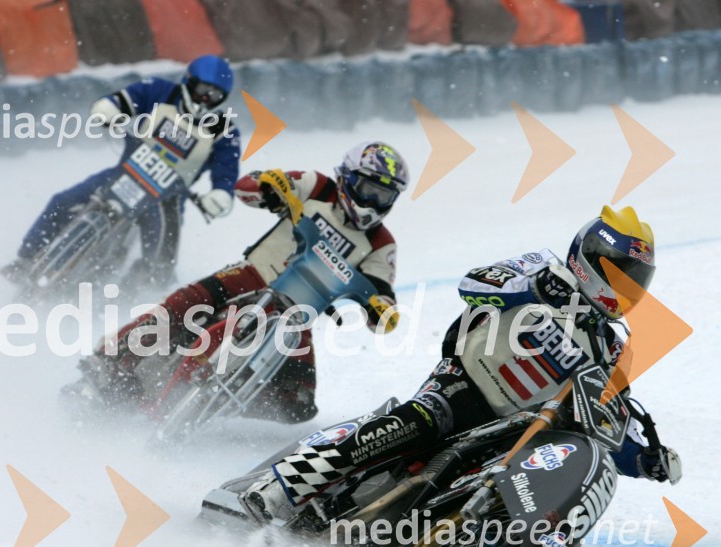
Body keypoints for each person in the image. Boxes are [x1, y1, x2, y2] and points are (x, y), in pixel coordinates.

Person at [241, 205, 682, 521]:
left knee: (545, 483)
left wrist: (643, 459)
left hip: (520, 430)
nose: (627, 288)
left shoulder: (612, 348)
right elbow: (473, 284)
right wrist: (529, 289)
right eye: (621, 274)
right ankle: (283, 486)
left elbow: (606, 418)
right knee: (417, 423)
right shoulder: (542, 268)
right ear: (590, 260)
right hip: (465, 383)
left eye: (636, 281)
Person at [69, 141, 410, 423]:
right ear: (347, 178)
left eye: (383, 197)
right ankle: (112, 360)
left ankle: (220, 407)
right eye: (368, 190)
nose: (372, 203)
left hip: (298, 314)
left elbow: (382, 296)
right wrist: (270, 187)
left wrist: (381, 308)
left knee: (297, 404)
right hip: (252, 274)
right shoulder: (317, 185)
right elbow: (248, 187)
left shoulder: (383, 244)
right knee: (183, 303)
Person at [2, 54, 241, 287]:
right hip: (124, 175)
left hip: (166, 199)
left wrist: (221, 192)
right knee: (62, 202)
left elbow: (226, 168)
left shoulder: (224, 131)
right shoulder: (159, 91)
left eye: (214, 95)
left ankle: (138, 293)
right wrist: (111, 109)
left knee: (161, 257)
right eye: (202, 91)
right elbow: (127, 99)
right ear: (189, 83)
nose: (205, 100)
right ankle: (26, 258)